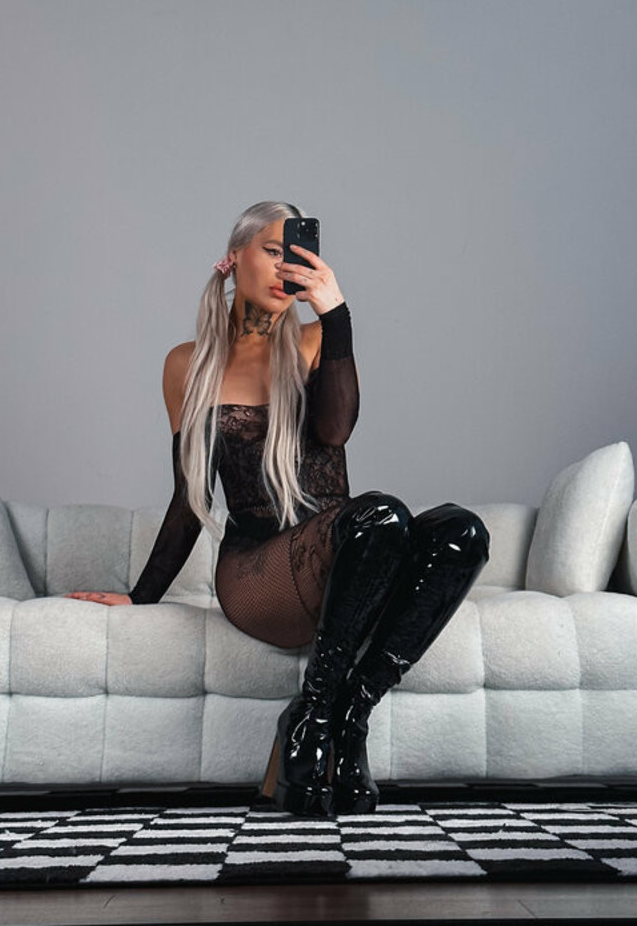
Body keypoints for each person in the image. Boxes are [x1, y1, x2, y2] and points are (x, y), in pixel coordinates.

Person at [66, 200, 489, 818]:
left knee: (460, 532)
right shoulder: (186, 364)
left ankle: (339, 717)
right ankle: (315, 722)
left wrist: (336, 315)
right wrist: (142, 595)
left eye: (293, 252)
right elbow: (189, 499)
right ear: (234, 257)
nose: (284, 265)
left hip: (345, 556)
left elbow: (335, 431)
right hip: (257, 572)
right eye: (271, 250)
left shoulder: (317, 342)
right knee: (382, 516)